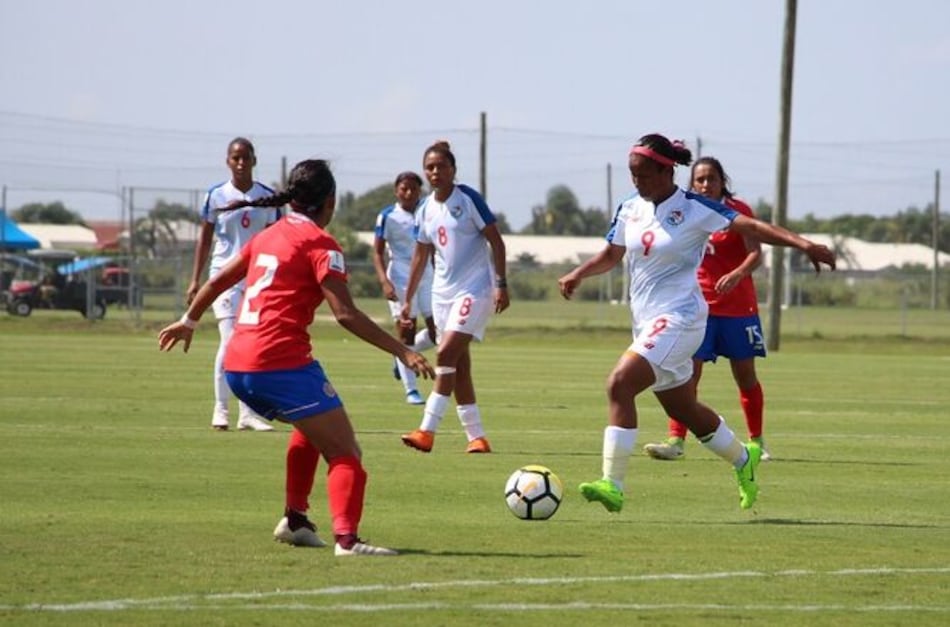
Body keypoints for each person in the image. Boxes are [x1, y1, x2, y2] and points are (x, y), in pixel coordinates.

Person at [160, 159, 434, 556]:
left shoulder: (271, 234)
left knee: (308, 426)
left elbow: (220, 279)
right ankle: (348, 541)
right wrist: (403, 350)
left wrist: (188, 320)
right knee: (345, 452)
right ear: (330, 201)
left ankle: (295, 520)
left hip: (238, 364)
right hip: (279, 363)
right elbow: (345, 314)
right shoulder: (322, 245)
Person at [558, 134, 835, 513]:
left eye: (642, 173)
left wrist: (803, 244)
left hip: (681, 318)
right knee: (683, 409)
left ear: (665, 169)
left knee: (619, 384)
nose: (636, 180)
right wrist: (578, 273)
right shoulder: (629, 207)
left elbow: (751, 228)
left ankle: (613, 484)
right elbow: (612, 253)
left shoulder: (695, 207)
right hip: (647, 322)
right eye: (632, 174)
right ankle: (744, 460)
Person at [644, 157, 771, 462]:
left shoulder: (738, 211)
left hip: (739, 308)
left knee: (745, 376)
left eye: (711, 179)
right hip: (697, 310)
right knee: (687, 377)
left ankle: (757, 442)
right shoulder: (685, 212)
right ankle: (676, 441)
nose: (705, 185)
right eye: (699, 180)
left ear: (721, 181)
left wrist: (738, 274)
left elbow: (756, 253)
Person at [400, 141, 510, 454]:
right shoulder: (424, 209)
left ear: (453, 170)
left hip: (474, 290)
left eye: (441, 166)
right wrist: (407, 299)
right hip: (441, 294)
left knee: (445, 354)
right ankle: (477, 437)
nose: (436, 172)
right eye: (430, 167)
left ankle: (426, 430)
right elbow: (421, 255)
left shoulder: (468, 199)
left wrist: (500, 284)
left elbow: (497, 243)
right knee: (459, 365)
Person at [187, 137, 279, 432]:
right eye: (235, 158)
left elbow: (278, 241)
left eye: (245, 157)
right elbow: (204, 239)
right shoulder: (215, 196)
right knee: (229, 341)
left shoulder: (267, 197)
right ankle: (221, 408)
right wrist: (195, 279)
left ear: (254, 160)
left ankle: (247, 414)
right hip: (224, 276)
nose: (240, 163)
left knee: (251, 343)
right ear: (227, 161)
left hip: (257, 279)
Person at [372, 171, 438, 405]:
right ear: (396, 191)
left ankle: (400, 354)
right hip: (400, 277)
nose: (409, 193)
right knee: (406, 331)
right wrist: (384, 281)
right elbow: (378, 252)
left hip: (428, 277)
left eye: (413, 189)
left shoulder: (427, 210)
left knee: (437, 333)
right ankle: (411, 390)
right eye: (404, 189)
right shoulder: (387, 216)